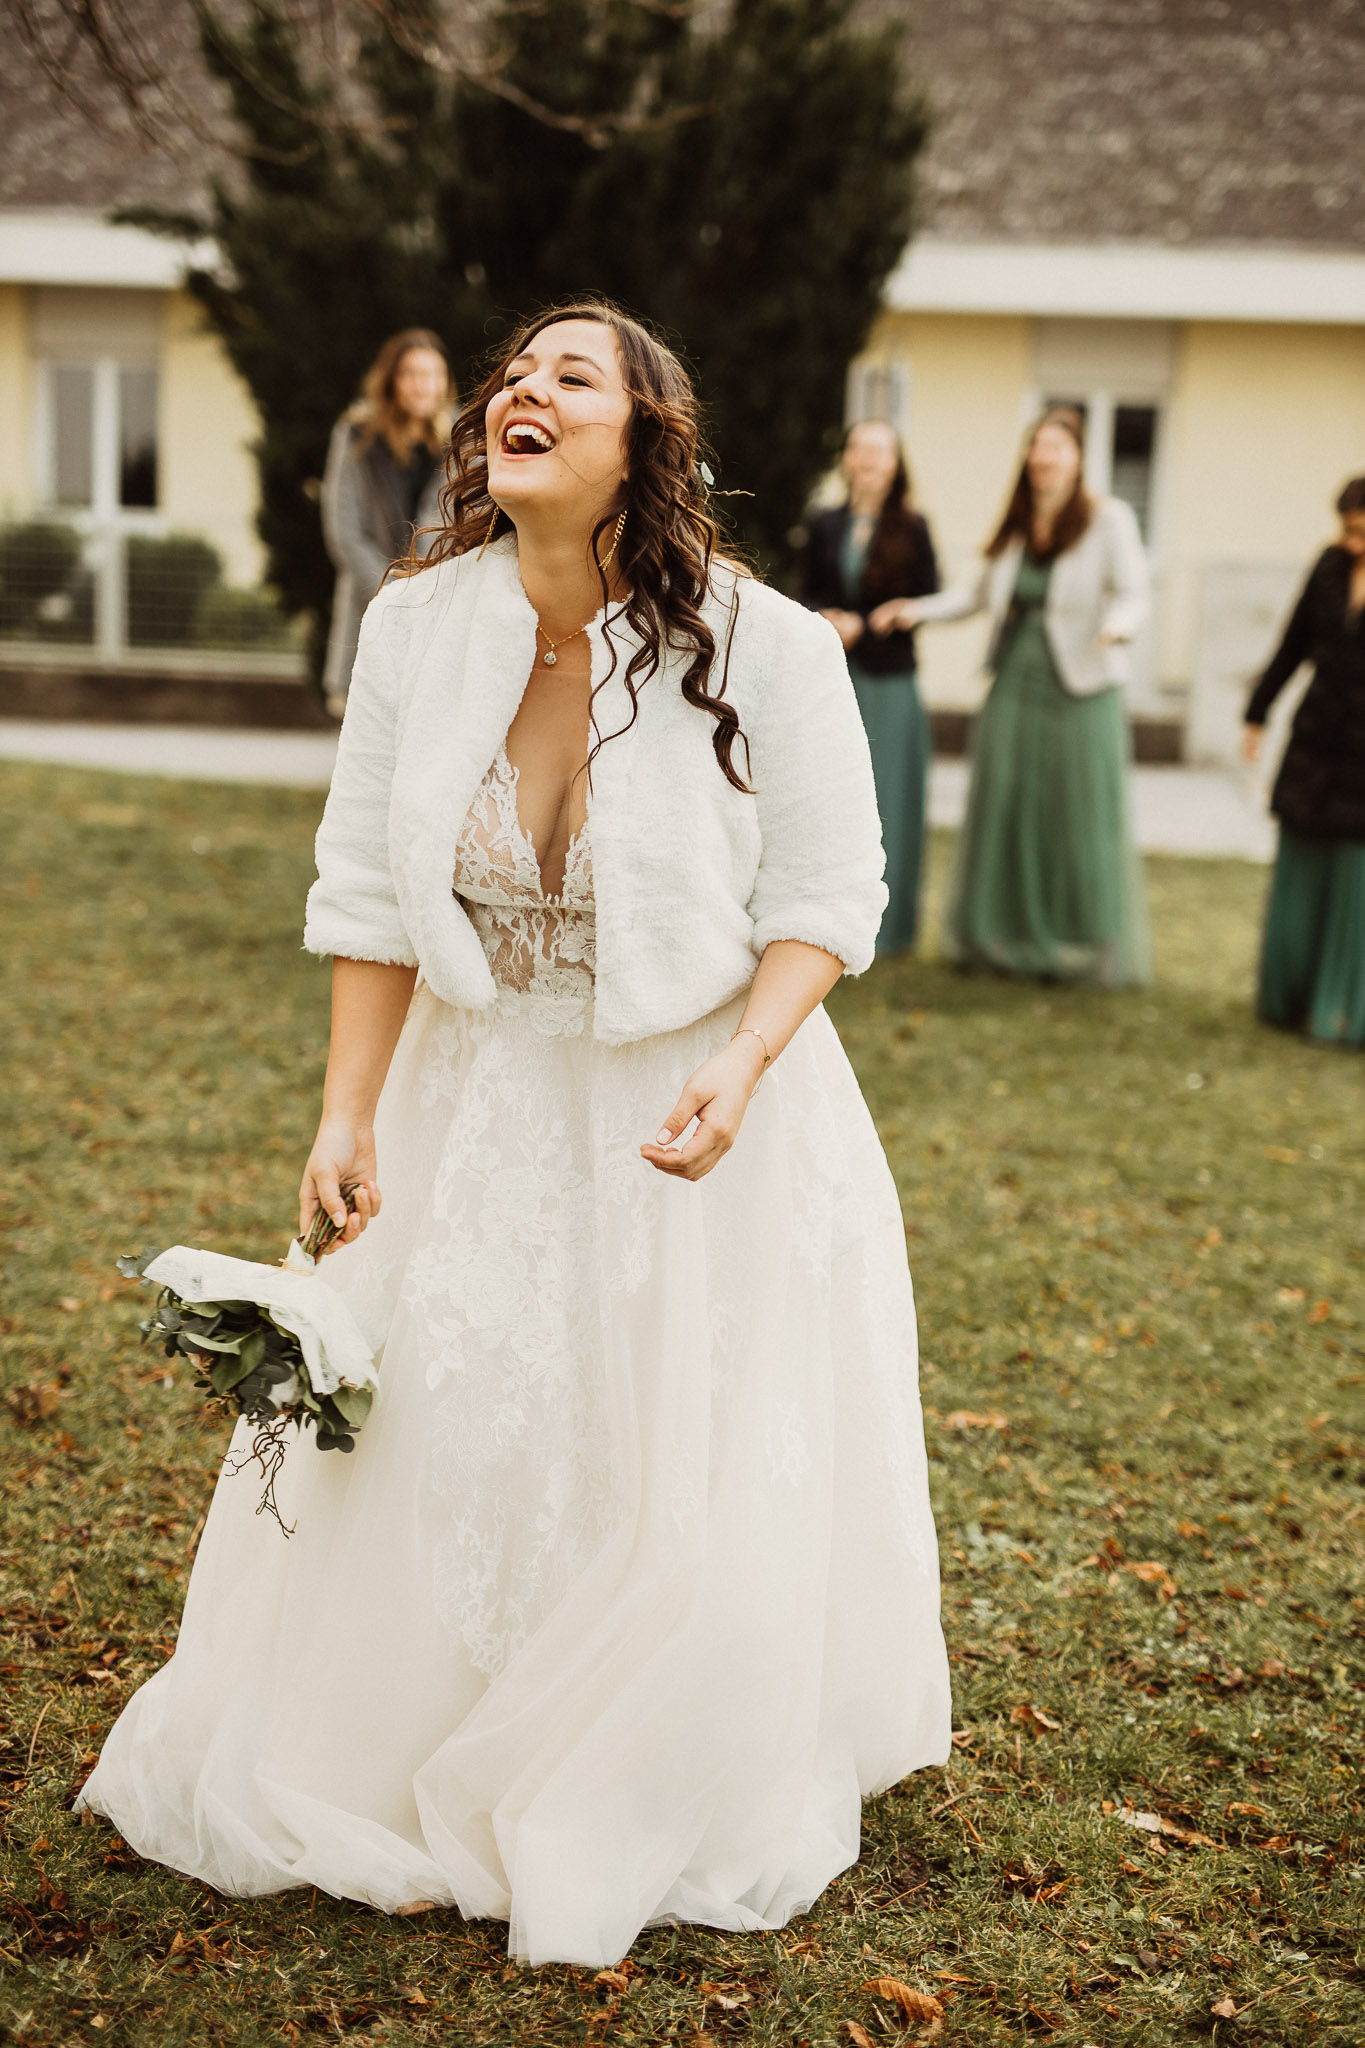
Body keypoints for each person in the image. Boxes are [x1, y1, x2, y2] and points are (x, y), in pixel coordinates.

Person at [78, 303, 951, 1968]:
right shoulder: (418, 627)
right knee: (456, 1417)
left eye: (571, 374)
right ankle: (415, 1732)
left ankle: (642, 1745)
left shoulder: (768, 646)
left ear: (645, 436)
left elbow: (834, 891)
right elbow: (362, 887)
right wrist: (346, 1109)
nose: (521, 393)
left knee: (654, 1430)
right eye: (513, 375)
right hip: (469, 1088)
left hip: (692, 1097)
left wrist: (747, 1061)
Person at [906, 406, 1152, 986]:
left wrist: (1119, 625)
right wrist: (914, 610)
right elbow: (972, 596)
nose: (1045, 458)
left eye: (1057, 447)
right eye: (1037, 446)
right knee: (1007, 807)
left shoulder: (1109, 519)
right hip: (1015, 681)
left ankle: (1076, 944)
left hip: (1082, 685)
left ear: (1078, 458)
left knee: (1075, 814)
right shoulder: (1017, 525)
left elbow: (1135, 592)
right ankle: (1000, 936)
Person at [802, 421, 941, 952]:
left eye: (879, 451)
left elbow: (926, 598)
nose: (867, 459)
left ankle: (888, 926)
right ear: (847, 458)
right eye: (859, 449)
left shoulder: (913, 527)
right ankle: (826, 919)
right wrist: (827, 617)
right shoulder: (824, 523)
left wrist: (866, 623)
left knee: (887, 798)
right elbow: (805, 592)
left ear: (895, 463)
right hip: (833, 676)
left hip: (888, 680)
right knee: (828, 797)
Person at [1242, 476, 1365, 1045]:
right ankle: (1288, 996)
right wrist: (1258, 711)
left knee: (1354, 877)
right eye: (1346, 528)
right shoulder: (1329, 567)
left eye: (1361, 531)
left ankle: (1339, 1010)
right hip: (1317, 737)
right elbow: (1293, 642)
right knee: (1302, 858)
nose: (1351, 541)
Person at [321, 328, 452, 718]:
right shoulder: (357, 435)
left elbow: (460, 522)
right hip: (370, 602)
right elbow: (345, 530)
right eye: (411, 373)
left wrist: (423, 591)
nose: (423, 384)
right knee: (367, 727)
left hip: (438, 607)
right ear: (392, 380)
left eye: (433, 374)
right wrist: (392, 596)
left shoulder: (462, 439)